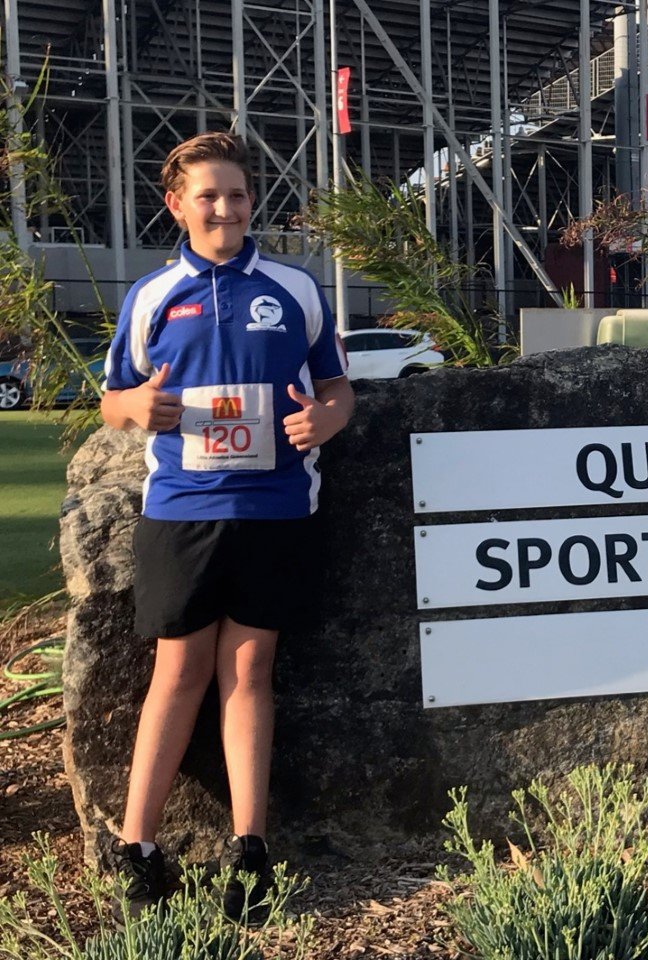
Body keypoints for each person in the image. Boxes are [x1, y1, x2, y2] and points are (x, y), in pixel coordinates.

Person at [101, 131, 354, 918]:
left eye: (237, 193)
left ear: (252, 202)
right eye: (207, 195)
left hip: (277, 508)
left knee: (250, 675)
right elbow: (113, 400)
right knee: (177, 674)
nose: (225, 207)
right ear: (176, 205)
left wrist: (327, 422)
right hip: (182, 509)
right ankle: (135, 847)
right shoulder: (150, 296)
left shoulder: (295, 288)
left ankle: (252, 850)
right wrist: (137, 406)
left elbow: (339, 390)